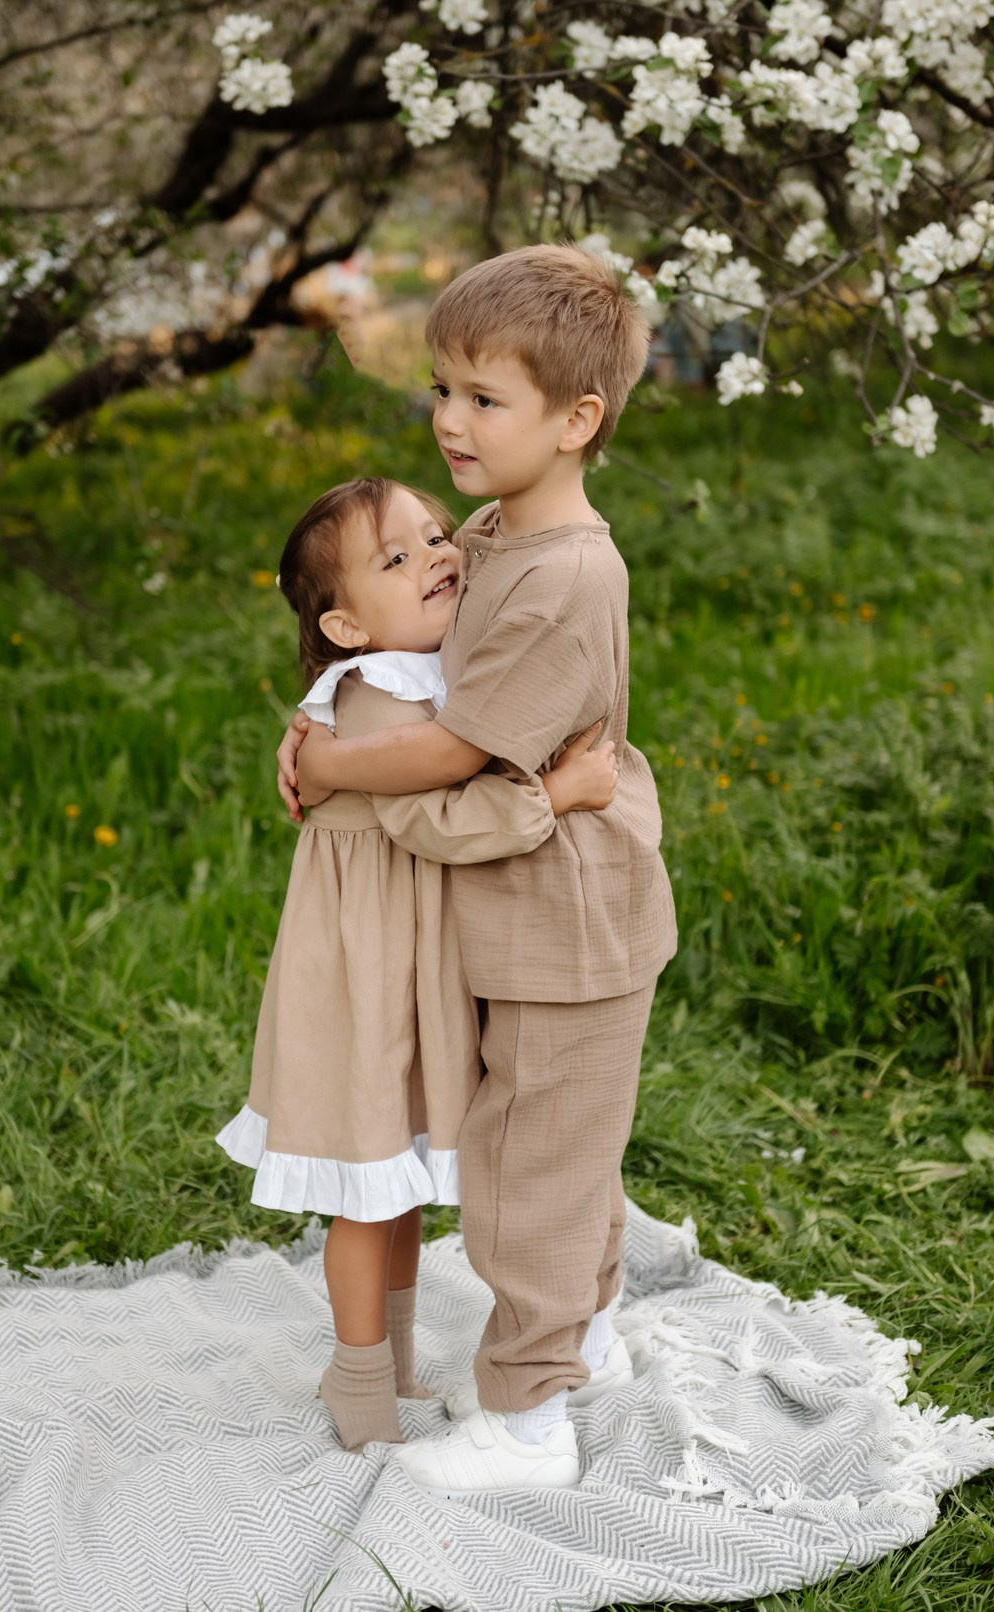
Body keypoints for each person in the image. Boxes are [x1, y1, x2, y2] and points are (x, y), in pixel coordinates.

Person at [277, 245, 678, 1494]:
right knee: (562, 1150)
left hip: (566, 917)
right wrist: (322, 720)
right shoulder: (503, 532)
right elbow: (412, 663)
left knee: (524, 1176)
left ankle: (525, 1421)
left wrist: (341, 770)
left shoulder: (565, 574)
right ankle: (584, 1340)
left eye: (483, 400)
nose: (448, 420)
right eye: (442, 389)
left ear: (576, 421)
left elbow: (456, 754)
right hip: (528, 911)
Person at [217, 474, 619, 1454]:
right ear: (348, 627)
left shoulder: (413, 663)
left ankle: (391, 1358)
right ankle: (359, 1375)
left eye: (433, 535)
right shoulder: (374, 698)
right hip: (365, 972)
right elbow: (433, 818)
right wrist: (559, 795)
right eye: (398, 557)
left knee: (392, 1177)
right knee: (367, 1182)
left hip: (410, 958)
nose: (439, 556)